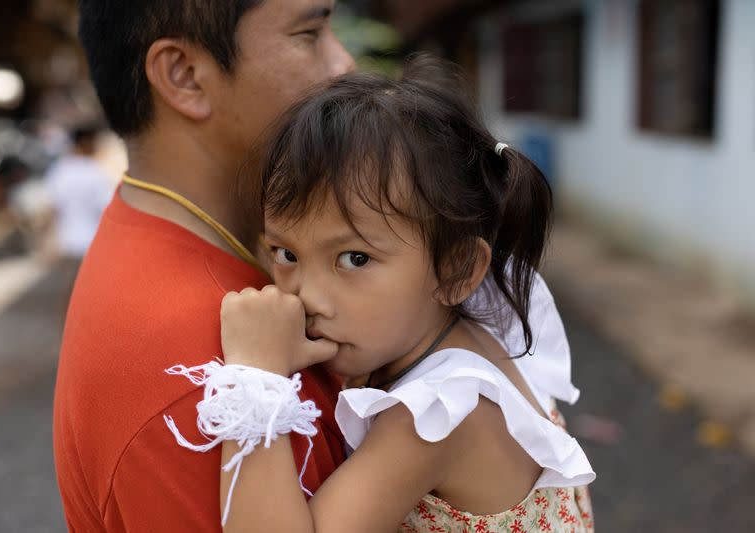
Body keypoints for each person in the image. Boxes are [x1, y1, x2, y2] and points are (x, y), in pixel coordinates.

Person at [168, 60, 596, 532]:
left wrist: (254, 373)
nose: (307, 296)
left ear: (457, 269)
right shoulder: (461, 322)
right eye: (285, 253)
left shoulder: (437, 415)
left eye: (354, 259)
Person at [52, 1, 354, 531]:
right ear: (185, 76)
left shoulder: (195, 250)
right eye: (310, 33)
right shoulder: (208, 380)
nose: (344, 63)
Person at [44, 126, 113, 262]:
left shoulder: (59, 170)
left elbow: (54, 208)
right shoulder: (94, 171)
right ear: (86, 142)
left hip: (67, 243)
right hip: (92, 243)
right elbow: (105, 208)